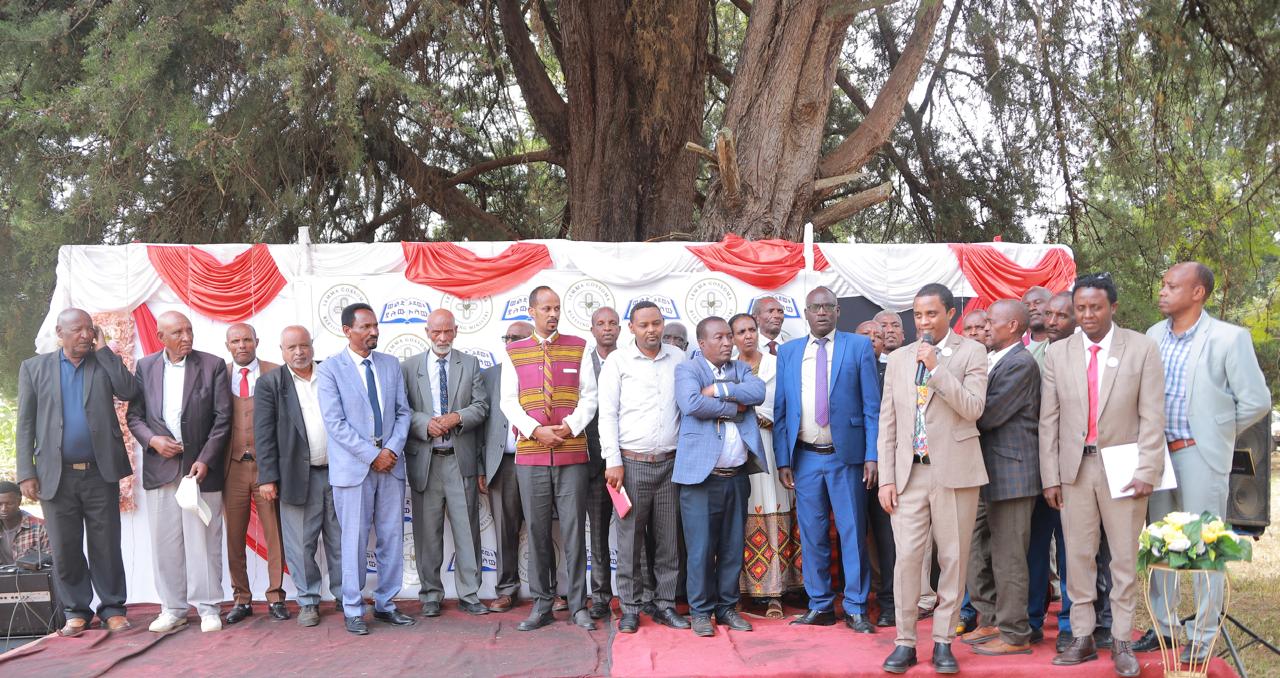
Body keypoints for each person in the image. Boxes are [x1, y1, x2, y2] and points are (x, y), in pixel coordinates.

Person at [1135, 262, 1271, 662]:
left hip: (1199, 452)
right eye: (1162, 284)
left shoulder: (1230, 338)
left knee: (1205, 546)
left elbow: (1258, 401)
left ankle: (1203, 633)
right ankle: (1165, 628)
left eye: (1171, 285)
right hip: (1157, 455)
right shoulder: (1153, 335)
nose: (1162, 291)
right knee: (1159, 543)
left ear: (1198, 293)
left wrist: (1217, 430)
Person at [1040, 273, 1165, 677]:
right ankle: (1083, 637)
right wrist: (1051, 477)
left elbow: (1151, 415)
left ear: (1113, 306)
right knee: (1077, 557)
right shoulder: (1058, 353)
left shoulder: (1141, 348)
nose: (1088, 315)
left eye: (1095, 307)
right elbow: (1049, 420)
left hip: (1125, 468)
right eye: (1081, 308)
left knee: (1124, 560)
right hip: (1075, 470)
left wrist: (1148, 468)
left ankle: (1124, 640)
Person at [877, 284, 989, 674]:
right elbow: (888, 420)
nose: (923, 322)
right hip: (909, 474)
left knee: (953, 559)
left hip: (956, 473)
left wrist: (938, 368)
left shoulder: (973, 352)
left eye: (931, 314)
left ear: (950, 314)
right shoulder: (899, 358)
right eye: (918, 315)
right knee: (906, 560)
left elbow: (973, 408)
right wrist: (886, 478)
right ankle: (905, 641)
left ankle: (943, 642)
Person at [15, 308, 134, 635]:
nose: (85, 335)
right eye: (78, 330)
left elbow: (128, 391)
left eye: (89, 330)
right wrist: (26, 472)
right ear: (60, 332)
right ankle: (76, 611)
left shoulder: (103, 362)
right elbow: (25, 425)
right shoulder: (34, 368)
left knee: (106, 544)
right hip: (56, 476)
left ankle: (112, 608)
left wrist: (105, 349)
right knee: (65, 548)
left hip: (100, 472)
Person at [775, 287, 880, 633]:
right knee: (812, 535)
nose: (821, 312)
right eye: (815, 307)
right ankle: (819, 605)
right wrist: (782, 459)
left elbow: (871, 407)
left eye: (828, 307)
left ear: (837, 312)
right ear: (805, 313)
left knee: (852, 533)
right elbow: (781, 410)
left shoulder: (858, 346)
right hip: (804, 459)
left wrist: (872, 455)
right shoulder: (789, 352)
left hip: (845, 458)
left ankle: (855, 607)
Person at [499, 286, 599, 632]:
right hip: (531, 454)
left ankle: (577, 606)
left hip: (572, 453)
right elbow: (507, 401)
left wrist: (570, 426)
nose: (552, 313)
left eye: (557, 307)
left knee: (573, 532)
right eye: (545, 308)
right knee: (538, 532)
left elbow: (590, 397)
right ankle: (541, 604)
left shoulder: (579, 347)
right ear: (532, 312)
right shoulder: (514, 352)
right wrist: (533, 430)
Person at [126, 311, 232, 634]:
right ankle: (173, 608)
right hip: (161, 469)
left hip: (200, 470)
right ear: (161, 338)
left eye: (189, 331)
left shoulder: (212, 365)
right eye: (178, 333)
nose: (187, 337)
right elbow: (135, 417)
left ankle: (209, 607)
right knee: (165, 543)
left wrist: (206, 459)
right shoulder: (145, 367)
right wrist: (153, 441)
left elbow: (222, 419)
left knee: (204, 540)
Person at [317, 302, 415, 635]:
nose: (373, 332)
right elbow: (335, 423)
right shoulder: (330, 369)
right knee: (354, 542)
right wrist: (372, 455)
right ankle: (353, 608)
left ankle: (387, 604)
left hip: (391, 467)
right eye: (365, 327)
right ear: (347, 331)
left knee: (391, 538)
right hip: (353, 470)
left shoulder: (390, 364)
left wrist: (390, 450)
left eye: (375, 326)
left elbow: (403, 413)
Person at [673, 316, 767, 637]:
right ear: (702, 344)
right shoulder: (688, 369)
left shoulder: (740, 368)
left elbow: (757, 391)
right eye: (720, 338)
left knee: (731, 547)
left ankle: (726, 608)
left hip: (736, 477)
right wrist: (733, 407)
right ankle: (700, 612)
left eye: (730, 336)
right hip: (701, 480)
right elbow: (691, 402)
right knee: (700, 549)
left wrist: (720, 389)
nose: (728, 342)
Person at [598, 301, 688, 633]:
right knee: (630, 543)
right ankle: (632, 607)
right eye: (644, 325)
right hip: (630, 466)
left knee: (669, 542)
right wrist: (614, 462)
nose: (652, 330)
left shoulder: (678, 359)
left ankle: (665, 604)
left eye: (657, 323)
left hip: (671, 465)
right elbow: (607, 414)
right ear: (632, 328)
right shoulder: (618, 362)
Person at [961, 300, 1041, 656]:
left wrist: (953, 405)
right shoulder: (995, 359)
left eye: (991, 321)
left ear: (1012, 326)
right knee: (977, 549)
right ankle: (991, 618)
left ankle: (1014, 633)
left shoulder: (1021, 363)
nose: (985, 326)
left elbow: (989, 415)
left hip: (1012, 473)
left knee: (1009, 556)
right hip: (984, 471)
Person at [402, 309, 490, 617]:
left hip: (459, 460)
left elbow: (481, 406)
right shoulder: (409, 367)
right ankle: (430, 594)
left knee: (467, 530)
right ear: (426, 331)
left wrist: (458, 418)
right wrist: (424, 423)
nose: (442, 338)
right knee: (427, 534)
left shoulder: (470, 363)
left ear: (456, 331)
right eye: (436, 332)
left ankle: (469, 593)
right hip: (425, 462)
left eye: (448, 332)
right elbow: (402, 411)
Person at [254, 325, 343, 628]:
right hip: (295, 476)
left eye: (303, 345)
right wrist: (267, 478)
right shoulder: (270, 384)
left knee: (340, 539)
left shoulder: (331, 374)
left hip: (338, 473)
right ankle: (308, 601)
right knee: (300, 544)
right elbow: (263, 435)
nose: (299, 352)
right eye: (291, 348)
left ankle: (346, 595)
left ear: (312, 346)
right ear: (281, 351)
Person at [729, 313, 800, 619]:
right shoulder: (726, 368)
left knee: (774, 508)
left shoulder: (775, 364)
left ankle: (776, 592)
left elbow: (787, 406)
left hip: (771, 449)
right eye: (740, 332)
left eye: (751, 330)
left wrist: (763, 416)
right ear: (732, 338)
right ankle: (740, 591)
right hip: (738, 452)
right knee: (740, 517)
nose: (748, 336)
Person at [221, 323, 288, 624]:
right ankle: (242, 598)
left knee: (274, 534)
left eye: (247, 339)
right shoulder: (218, 375)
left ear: (257, 341)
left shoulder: (276, 372)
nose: (242, 345)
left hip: (267, 467)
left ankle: (275, 596)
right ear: (228, 346)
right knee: (234, 537)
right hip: (231, 467)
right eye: (236, 341)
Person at [480, 321, 534, 613]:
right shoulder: (489, 376)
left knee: (540, 528)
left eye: (519, 338)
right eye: (508, 338)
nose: (512, 343)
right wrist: (480, 468)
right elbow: (478, 426)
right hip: (503, 464)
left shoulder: (542, 371)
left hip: (537, 460)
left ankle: (546, 590)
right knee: (504, 530)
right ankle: (506, 589)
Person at [856, 318, 896, 627]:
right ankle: (855, 602)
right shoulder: (841, 370)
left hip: (887, 468)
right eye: (864, 335)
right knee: (853, 536)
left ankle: (889, 604)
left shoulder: (893, 371)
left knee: (887, 539)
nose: (872, 340)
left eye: (877, 336)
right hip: (849, 466)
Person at [585, 306, 621, 619]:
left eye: (612, 323)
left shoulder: (629, 361)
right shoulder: (584, 363)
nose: (607, 328)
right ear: (592, 329)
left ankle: (641, 594)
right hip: (592, 465)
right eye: (601, 324)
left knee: (635, 531)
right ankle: (600, 597)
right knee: (597, 533)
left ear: (621, 329)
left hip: (626, 462)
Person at [0, 482, 50, 567]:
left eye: (9, 504)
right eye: (0, 504)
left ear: (19, 502)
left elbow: (51, 563)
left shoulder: (41, 528)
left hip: (31, 578)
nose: (3, 509)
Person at [1021, 286, 1052, 363]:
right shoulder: (1018, 347)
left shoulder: (1067, 340)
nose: (1031, 308)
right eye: (1026, 305)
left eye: (1037, 302)